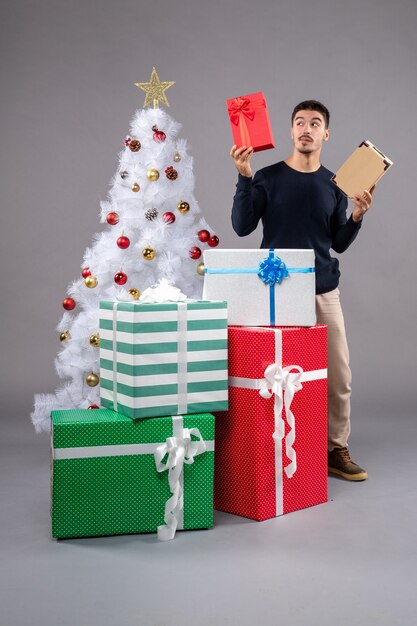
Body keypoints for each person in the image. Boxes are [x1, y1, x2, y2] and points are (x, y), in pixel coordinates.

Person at [230, 100, 373, 481]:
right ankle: (262, 449)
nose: (306, 129)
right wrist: (244, 177)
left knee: (338, 376)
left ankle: (334, 449)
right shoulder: (267, 176)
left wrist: (356, 216)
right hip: (274, 291)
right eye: (299, 123)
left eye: (315, 123)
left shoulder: (335, 185)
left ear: (326, 134)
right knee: (267, 375)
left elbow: (338, 242)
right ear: (291, 132)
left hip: (322, 289)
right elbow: (241, 227)